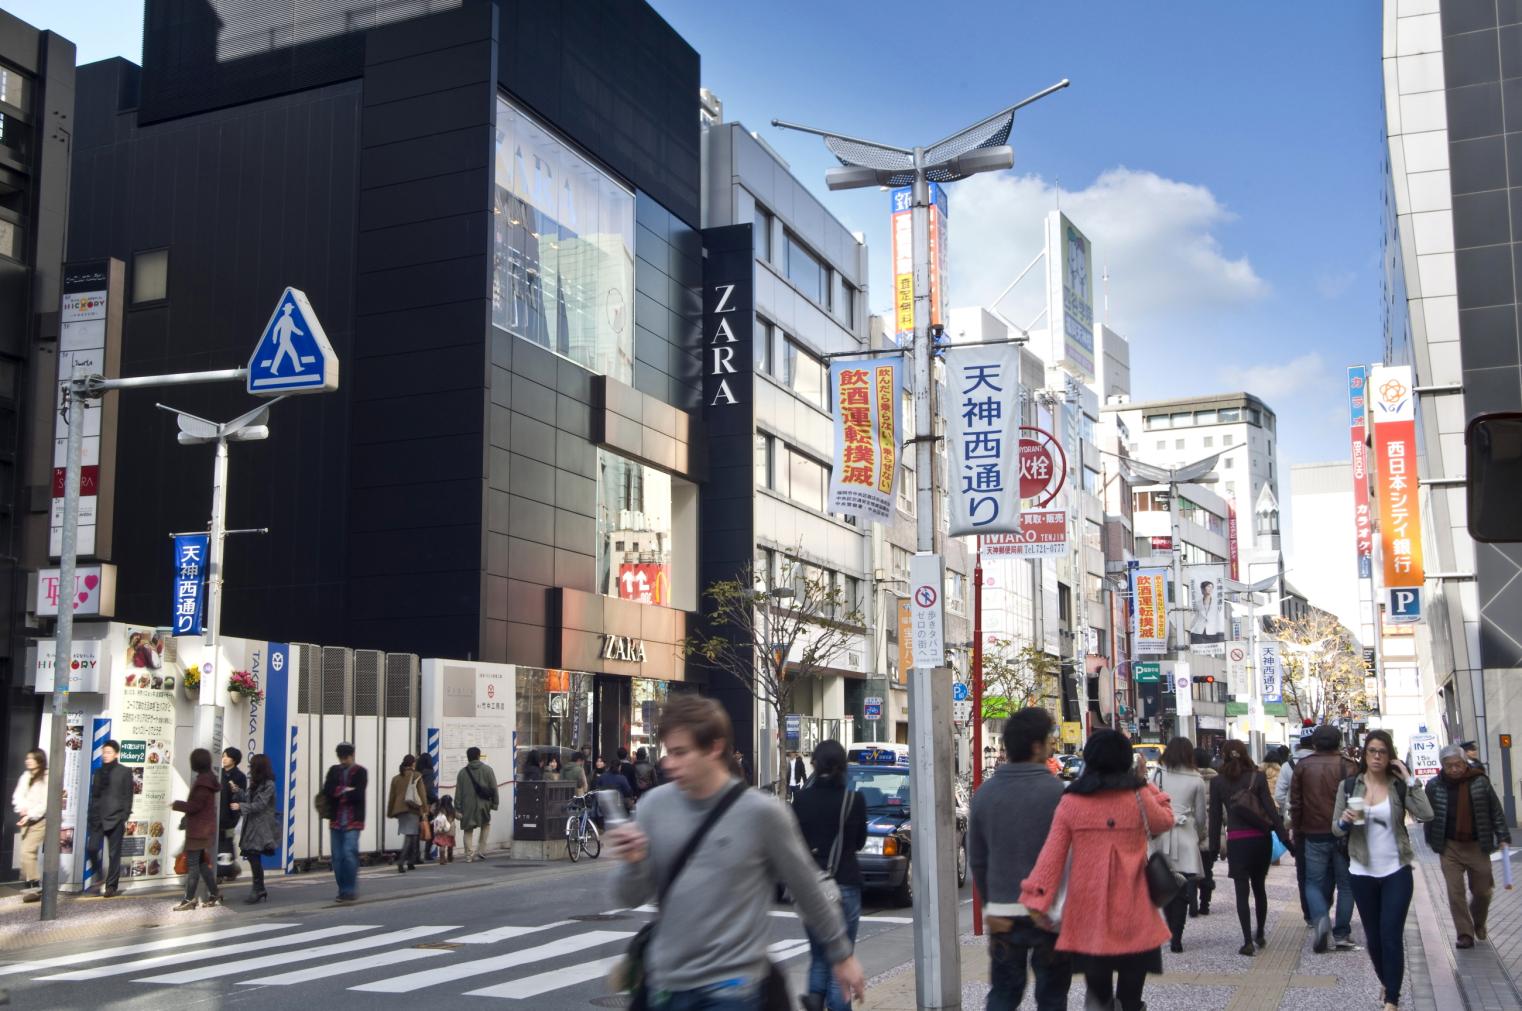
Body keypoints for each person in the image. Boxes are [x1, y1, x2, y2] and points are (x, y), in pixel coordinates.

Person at [608, 693, 865, 1011]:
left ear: (714, 747)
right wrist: (633, 863)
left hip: (732, 987)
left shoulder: (761, 813)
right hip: (666, 985)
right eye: (667, 752)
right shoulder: (653, 807)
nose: (668, 763)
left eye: (680, 752)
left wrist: (842, 955)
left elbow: (807, 888)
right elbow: (629, 897)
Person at [1020, 730, 1171, 1011]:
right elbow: (1165, 821)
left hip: (1088, 911)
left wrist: (1037, 900)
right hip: (1134, 907)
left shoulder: (1072, 802)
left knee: (1099, 994)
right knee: (1131, 997)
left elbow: (1052, 856)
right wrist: (1146, 783)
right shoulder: (1137, 797)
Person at [969, 707, 1073, 1011]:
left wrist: (991, 903)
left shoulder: (985, 794)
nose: (1053, 745)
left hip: (1002, 911)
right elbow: (1069, 858)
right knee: (1052, 997)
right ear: (1036, 746)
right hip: (1049, 913)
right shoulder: (1058, 794)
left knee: (1003, 993)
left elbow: (978, 859)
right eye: (1049, 739)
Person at [1332, 729, 1434, 1011]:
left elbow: (1426, 814)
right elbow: (1334, 828)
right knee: (1373, 939)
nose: (1377, 756)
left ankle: (1392, 1000)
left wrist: (1409, 778)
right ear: (1365, 755)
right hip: (1362, 871)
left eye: (1382, 751)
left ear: (1390, 755)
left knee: (1390, 934)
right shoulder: (1350, 786)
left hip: (1396, 869)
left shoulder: (1398, 785)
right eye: (1372, 751)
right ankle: (1388, 983)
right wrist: (1344, 821)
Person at [791, 740, 867, 1011]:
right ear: (843, 767)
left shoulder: (801, 800)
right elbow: (859, 841)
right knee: (841, 956)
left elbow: (794, 843)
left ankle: (813, 1001)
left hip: (812, 888)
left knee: (819, 956)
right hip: (845, 882)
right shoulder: (853, 800)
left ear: (815, 764)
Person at [1424, 743, 1511, 949]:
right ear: (1442, 766)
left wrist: (1502, 835)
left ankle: (1479, 921)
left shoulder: (1479, 781)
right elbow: (1427, 814)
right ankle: (1465, 934)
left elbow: (1495, 810)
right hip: (1450, 846)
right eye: (1449, 765)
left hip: (1477, 844)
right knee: (1455, 893)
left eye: (1458, 764)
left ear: (1465, 763)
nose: (1454, 769)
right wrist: (1432, 839)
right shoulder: (1434, 786)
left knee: (1483, 891)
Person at [1208, 739, 1286, 956]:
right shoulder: (1257, 777)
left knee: (1241, 892)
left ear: (1223, 755)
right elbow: (1270, 810)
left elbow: (1215, 818)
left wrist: (1214, 848)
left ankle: (1246, 941)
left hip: (1237, 841)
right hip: (1260, 840)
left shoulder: (1218, 782)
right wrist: (1284, 836)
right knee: (1259, 887)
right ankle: (1259, 932)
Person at [1291, 724, 1360, 953]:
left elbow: (1296, 803)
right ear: (1339, 741)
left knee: (1313, 882)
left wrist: (1298, 830)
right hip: (1343, 833)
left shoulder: (1303, 766)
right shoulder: (1349, 766)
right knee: (1346, 885)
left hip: (1313, 832)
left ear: (1314, 743)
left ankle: (1320, 918)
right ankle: (1341, 934)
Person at [1151, 737, 1207, 954]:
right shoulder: (1197, 780)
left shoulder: (1158, 774)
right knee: (1182, 889)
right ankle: (1177, 936)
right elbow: (1201, 815)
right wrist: (1199, 835)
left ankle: (1170, 930)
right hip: (1185, 836)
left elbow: (1147, 803)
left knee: (1165, 886)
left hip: (1161, 835)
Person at [171, 748, 222, 910]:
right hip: (203, 829)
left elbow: (195, 806)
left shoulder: (202, 783)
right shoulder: (208, 780)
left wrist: (176, 804)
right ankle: (214, 894)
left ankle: (189, 899)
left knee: (193, 865)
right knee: (200, 864)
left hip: (198, 831)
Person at [1277, 728, 1318, 924]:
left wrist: (1289, 808)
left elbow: (1279, 794)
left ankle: (1308, 914)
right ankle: (1322, 909)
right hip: (1323, 822)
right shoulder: (1325, 762)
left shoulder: (1288, 765)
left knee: (1303, 870)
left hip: (1299, 823)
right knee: (1323, 869)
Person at [87, 739, 134, 898]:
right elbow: (95, 795)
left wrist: (124, 815)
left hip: (116, 817)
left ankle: (111, 886)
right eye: (104, 752)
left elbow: (128, 795)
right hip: (98, 818)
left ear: (116, 754)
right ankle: (99, 876)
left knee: (114, 854)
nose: (105, 755)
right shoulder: (99, 772)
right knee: (92, 848)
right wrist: (92, 814)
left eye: (108, 752)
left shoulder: (125, 772)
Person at [322, 742, 368, 901]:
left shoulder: (361, 772)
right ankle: (342, 889)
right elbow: (327, 790)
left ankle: (349, 889)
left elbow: (359, 794)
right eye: (340, 758)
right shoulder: (333, 771)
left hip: (353, 821)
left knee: (349, 853)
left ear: (352, 755)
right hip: (335, 820)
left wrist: (339, 791)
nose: (343, 761)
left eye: (345, 757)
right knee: (337, 857)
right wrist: (346, 790)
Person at [235, 754, 278, 903]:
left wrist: (240, 806)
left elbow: (260, 805)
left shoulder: (269, 785)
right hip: (252, 825)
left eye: (252, 765)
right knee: (253, 856)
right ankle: (258, 888)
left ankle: (258, 888)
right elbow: (250, 799)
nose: (250, 768)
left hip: (261, 826)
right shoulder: (255, 783)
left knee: (254, 856)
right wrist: (238, 792)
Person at [12, 749, 46, 902]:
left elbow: (44, 804)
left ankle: (35, 884)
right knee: (24, 854)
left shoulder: (46, 777)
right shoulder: (25, 776)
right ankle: (31, 886)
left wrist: (30, 814)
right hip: (26, 819)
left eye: (31, 758)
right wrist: (22, 809)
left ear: (39, 760)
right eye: (27, 758)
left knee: (27, 851)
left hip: (40, 820)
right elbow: (17, 796)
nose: (28, 761)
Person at [454, 746, 499, 862]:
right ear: (479, 756)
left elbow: (458, 792)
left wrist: (457, 808)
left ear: (468, 757)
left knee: (468, 830)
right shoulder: (488, 770)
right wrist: (494, 804)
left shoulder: (462, 773)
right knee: (485, 825)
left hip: (467, 806)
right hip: (484, 805)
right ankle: (481, 850)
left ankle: (469, 855)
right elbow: (494, 788)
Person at [1191, 746, 1219, 917]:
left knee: (1190, 868)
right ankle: (1205, 904)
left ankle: (1191, 901)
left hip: (1191, 829)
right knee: (1207, 869)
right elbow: (1221, 807)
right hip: (1211, 830)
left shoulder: (1188, 777)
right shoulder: (1216, 778)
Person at [388, 754, 424, 873]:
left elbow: (392, 796)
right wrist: (424, 810)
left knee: (412, 835)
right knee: (410, 836)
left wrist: (390, 812)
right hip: (412, 809)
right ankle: (402, 861)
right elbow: (422, 794)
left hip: (400, 810)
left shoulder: (396, 778)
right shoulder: (417, 776)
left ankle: (411, 862)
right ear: (413, 763)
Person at [218, 747, 247, 881]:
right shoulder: (219, 773)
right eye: (223, 756)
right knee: (221, 842)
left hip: (230, 816)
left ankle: (227, 869)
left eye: (227, 757)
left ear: (234, 760)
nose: (224, 759)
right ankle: (227, 868)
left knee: (227, 841)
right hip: (218, 814)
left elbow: (241, 796)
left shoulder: (239, 776)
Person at [416, 752, 440, 860]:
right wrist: (436, 799)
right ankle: (427, 853)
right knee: (430, 827)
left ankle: (415, 855)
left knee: (416, 830)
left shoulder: (416, 772)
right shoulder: (429, 772)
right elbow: (429, 790)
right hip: (427, 804)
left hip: (416, 804)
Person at [432, 795, 459, 864]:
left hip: (441, 830)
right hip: (450, 830)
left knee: (442, 845)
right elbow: (459, 816)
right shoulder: (452, 810)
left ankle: (442, 859)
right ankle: (450, 857)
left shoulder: (438, 810)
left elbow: (432, 812)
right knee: (450, 844)